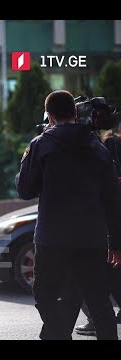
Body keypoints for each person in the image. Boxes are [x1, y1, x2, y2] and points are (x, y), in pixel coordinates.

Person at [16, 89, 121, 340]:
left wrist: (25, 163)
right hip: (91, 238)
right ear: (75, 112)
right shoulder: (98, 147)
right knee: (99, 302)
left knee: (45, 295)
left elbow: (25, 189)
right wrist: (116, 243)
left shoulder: (41, 144)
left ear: (49, 116)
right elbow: (111, 200)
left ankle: (59, 334)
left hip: (52, 239)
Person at [73, 121, 121, 336]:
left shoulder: (105, 145)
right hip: (103, 227)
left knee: (87, 282)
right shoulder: (105, 147)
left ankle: (94, 321)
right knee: (109, 276)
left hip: (95, 229)